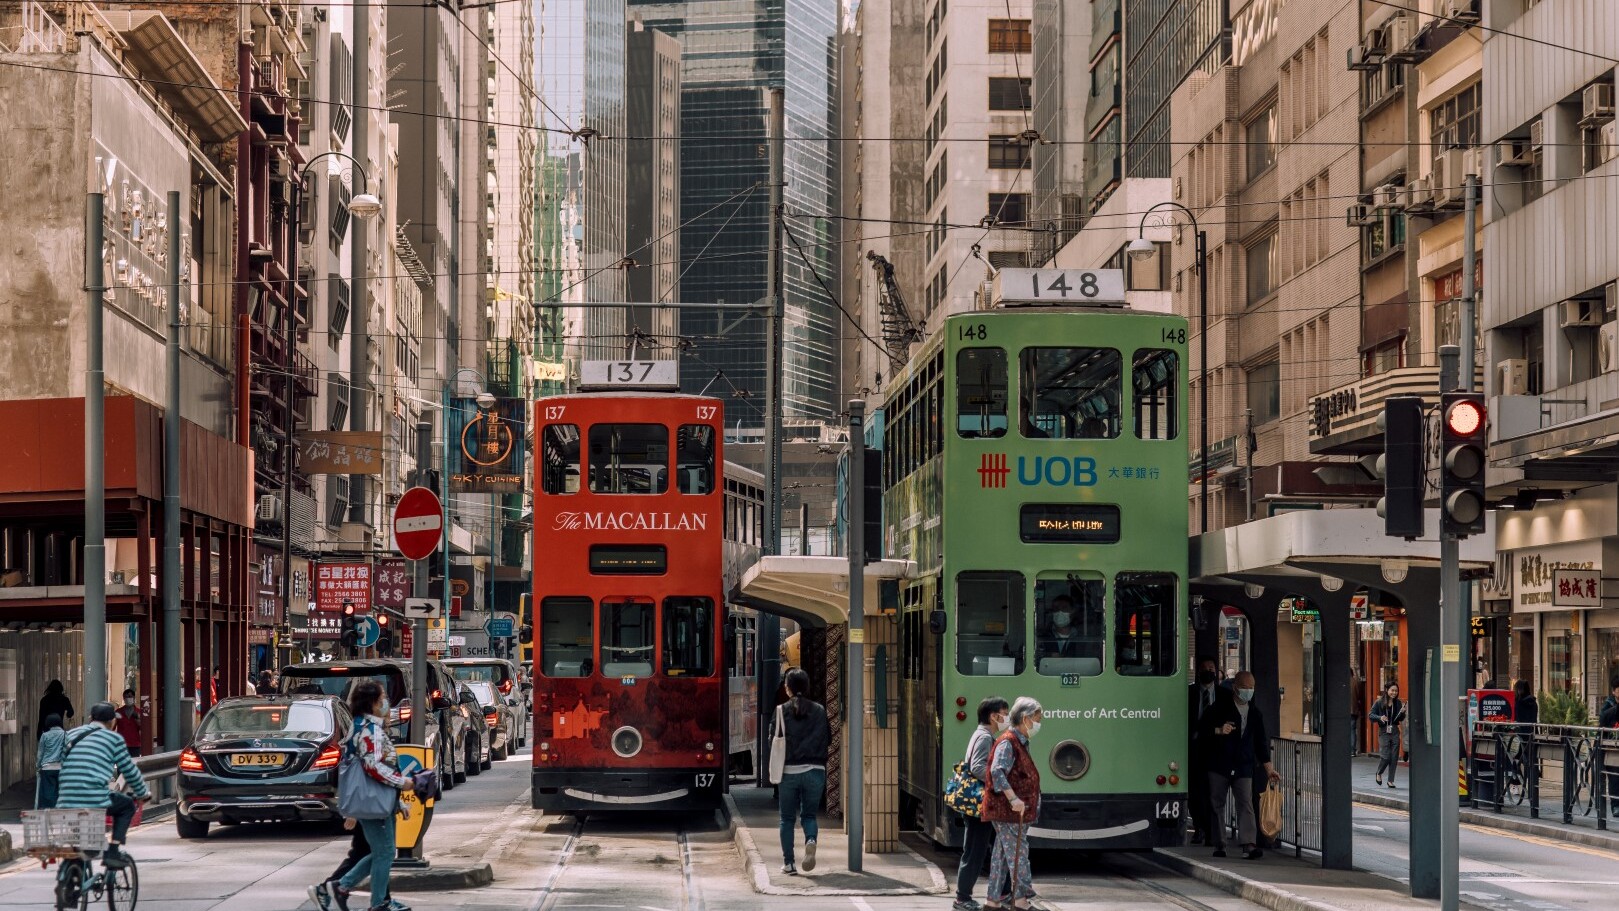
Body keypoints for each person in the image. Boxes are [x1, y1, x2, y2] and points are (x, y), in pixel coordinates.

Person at [309, 680, 415, 911]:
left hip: (378, 800)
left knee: (380, 852)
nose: (386, 701)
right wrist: (402, 782)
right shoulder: (370, 730)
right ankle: (369, 898)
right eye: (383, 697)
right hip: (375, 801)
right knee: (384, 852)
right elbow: (373, 767)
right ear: (373, 703)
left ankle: (351, 890)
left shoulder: (361, 726)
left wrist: (396, 800)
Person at [57, 702, 151, 868]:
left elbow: (63, 763)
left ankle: (71, 875)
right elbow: (129, 770)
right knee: (127, 805)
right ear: (112, 722)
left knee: (78, 838)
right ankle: (113, 851)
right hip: (95, 799)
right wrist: (143, 793)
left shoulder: (71, 735)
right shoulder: (113, 739)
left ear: (91, 718)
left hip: (66, 800)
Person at [1203, 671, 1280, 860]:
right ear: (1235, 688)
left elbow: (1261, 743)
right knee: (1217, 803)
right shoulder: (1219, 708)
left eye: (1251, 688)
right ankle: (1220, 843)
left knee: (1246, 803)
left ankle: (1249, 844)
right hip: (1219, 764)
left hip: (1244, 765)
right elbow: (1203, 730)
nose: (1248, 691)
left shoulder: (1255, 714)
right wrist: (1219, 730)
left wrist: (1269, 768)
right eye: (1245, 688)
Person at [983, 696, 1042, 910]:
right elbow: (997, 771)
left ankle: (993, 901)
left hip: (1010, 811)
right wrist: (1013, 798)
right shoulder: (1008, 741)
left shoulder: (1019, 742)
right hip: (1008, 811)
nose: (1039, 723)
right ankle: (1021, 900)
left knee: (1001, 855)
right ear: (1025, 719)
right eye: (1037, 718)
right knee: (1018, 854)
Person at [954, 696, 1009, 911]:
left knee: (997, 848)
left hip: (983, 806)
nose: (1007, 718)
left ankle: (1004, 892)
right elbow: (977, 768)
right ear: (994, 716)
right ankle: (962, 898)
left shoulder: (982, 735)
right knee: (975, 852)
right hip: (979, 806)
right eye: (1004, 713)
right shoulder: (985, 737)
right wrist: (1001, 783)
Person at [776, 668, 829, 876]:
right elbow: (829, 738)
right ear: (806, 687)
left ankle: (789, 864)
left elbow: (774, 737)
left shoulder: (781, 710)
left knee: (787, 819)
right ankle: (811, 839)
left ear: (787, 688)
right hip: (815, 770)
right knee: (809, 814)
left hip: (789, 771)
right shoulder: (820, 710)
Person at [1187, 655, 1232, 845]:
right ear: (1198, 672)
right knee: (1195, 792)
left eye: (1212, 668)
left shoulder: (1225, 695)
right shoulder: (1188, 693)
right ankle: (1200, 827)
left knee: (1213, 792)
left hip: (1216, 750)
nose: (1209, 672)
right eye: (1205, 668)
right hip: (1194, 749)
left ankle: (1211, 830)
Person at [1370, 681, 1405, 788]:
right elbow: (1370, 715)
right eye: (1392, 690)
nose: (1394, 693)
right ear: (1387, 690)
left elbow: (1400, 719)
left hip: (1394, 730)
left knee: (1394, 757)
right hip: (1384, 731)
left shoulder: (1398, 703)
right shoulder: (1379, 702)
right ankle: (1379, 772)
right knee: (1386, 756)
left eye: (1396, 691)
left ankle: (1390, 780)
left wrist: (1402, 712)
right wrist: (1379, 717)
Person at [35, 714, 66, 808]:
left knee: (48, 794)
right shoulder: (65, 734)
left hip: (47, 768)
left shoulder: (45, 735)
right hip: (61, 767)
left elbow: (40, 753)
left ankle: (50, 812)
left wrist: (38, 766)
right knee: (61, 793)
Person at [114, 689, 143, 756]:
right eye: (126, 697)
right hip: (121, 745)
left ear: (134, 698)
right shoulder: (118, 712)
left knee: (134, 763)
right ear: (123, 698)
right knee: (121, 765)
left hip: (135, 745)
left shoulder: (139, 712)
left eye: (130, 696)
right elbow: (112, 727)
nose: (128, 699)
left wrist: (137, 718)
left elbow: (143, 728)